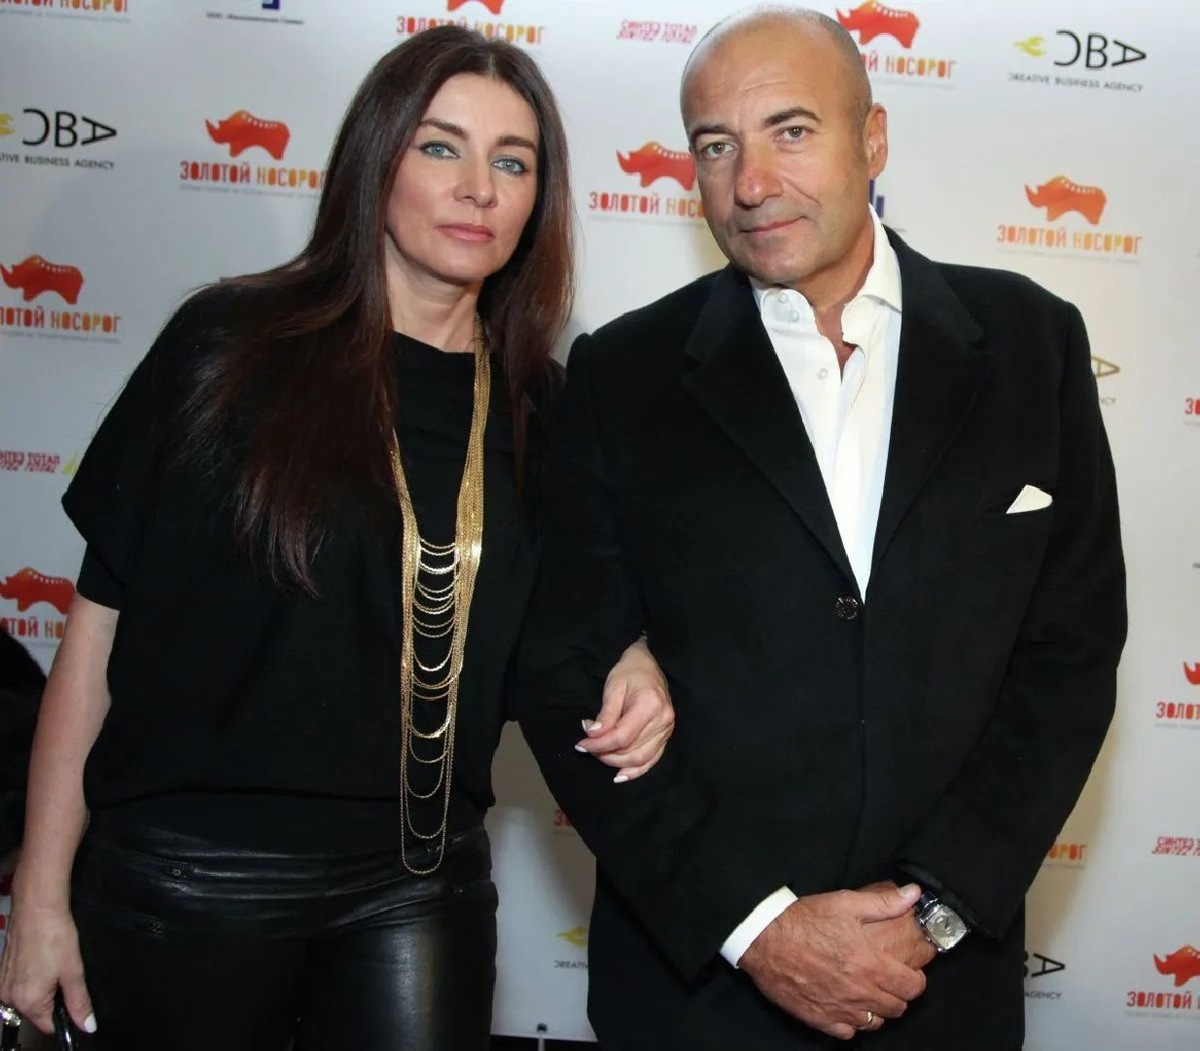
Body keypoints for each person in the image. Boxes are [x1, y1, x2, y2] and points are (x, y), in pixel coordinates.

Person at [0, 27, 674, 1051]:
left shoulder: (542, 408)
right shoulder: (231, 349)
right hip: (191, 875)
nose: (478, 189)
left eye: (513, 162)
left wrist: (631, 649)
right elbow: (94, 636)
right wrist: (41, 898)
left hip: (418, 884)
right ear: (377, 161)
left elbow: (569, 616)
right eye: (440, 147)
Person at [517, 7, 1126, 1049]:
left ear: (872, 139)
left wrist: (931, 915)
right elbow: (566, 664)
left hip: (940, 987)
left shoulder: (1034, 343)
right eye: (716, 146)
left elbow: (1068, 657)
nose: (750, 183)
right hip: (695, 997)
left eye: (791, 131)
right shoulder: (622, 374)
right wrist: (758, 928)